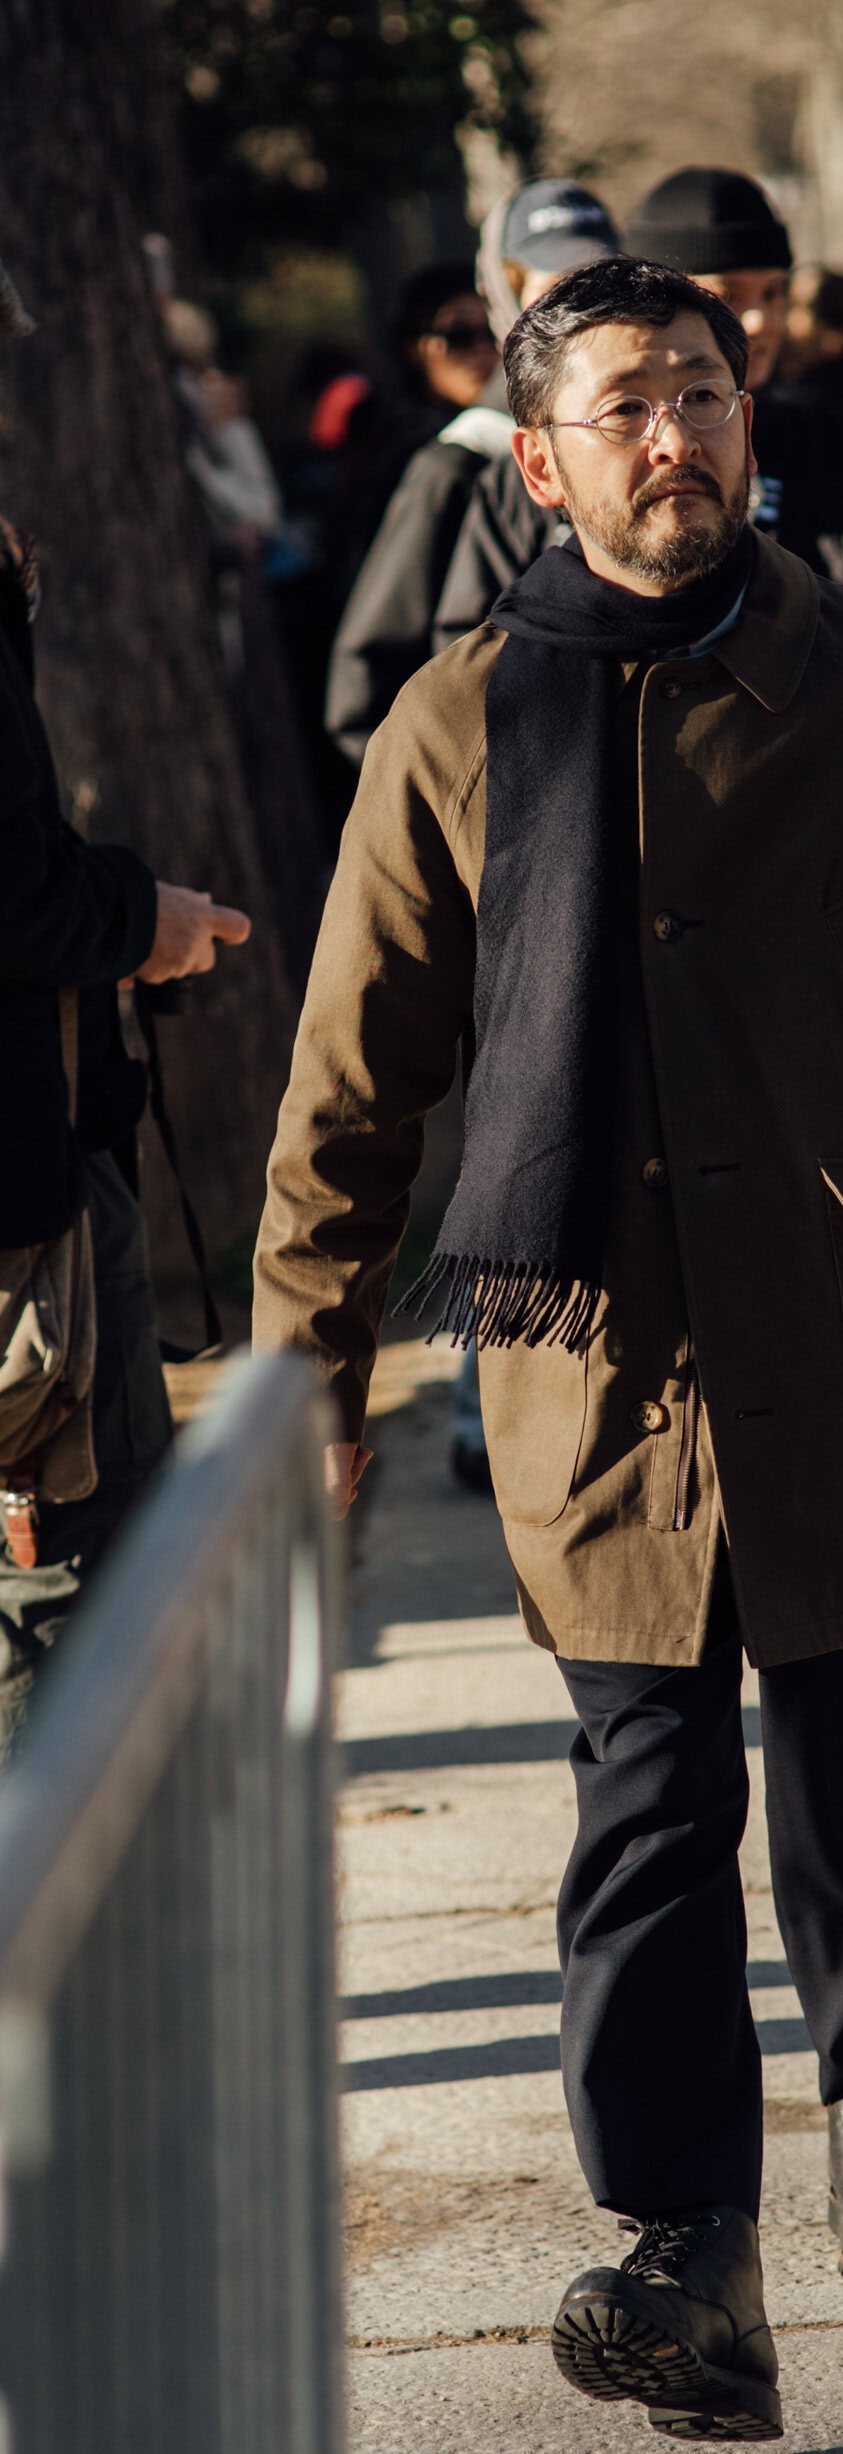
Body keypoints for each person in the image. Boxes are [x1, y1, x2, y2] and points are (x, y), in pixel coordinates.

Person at [253, 256, 843, 2442]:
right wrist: (305, 1377)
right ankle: (679, 2247)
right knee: (643, 1804)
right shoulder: (455, 718)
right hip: (596, 1369)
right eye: (629, 403)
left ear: (756, 421)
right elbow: (351, 1090)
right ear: (536, 463)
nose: (681, 436)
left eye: (709, 393)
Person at [0, 260, 251, 1721]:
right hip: (19, 1218)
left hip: (48, 1160)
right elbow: (12, 887)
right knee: (71, 1593)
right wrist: (131, 915)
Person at [432, 168, 843, 673]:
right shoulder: (555, 459)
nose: (759, 321)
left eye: (775, 292)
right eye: (730, 295)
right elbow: (470, 657)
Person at [326, 183, 620, 766]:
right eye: (554, 291)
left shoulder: (647, 438)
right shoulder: (456, 464)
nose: (580, 315)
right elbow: (367, 696)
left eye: (601, 286)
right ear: (502, 300)